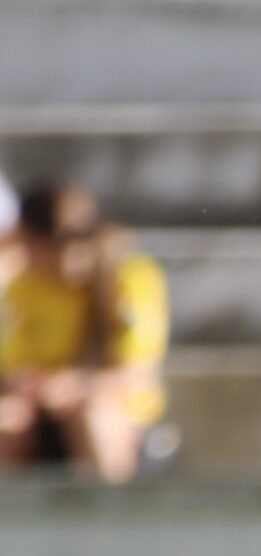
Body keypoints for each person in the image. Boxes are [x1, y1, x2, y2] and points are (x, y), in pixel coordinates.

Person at [0, 183, 169, 486]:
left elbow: (137, 372)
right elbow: (14, 366)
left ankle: (110, 521)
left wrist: (77, 386)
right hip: (42, 419)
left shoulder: (129, 279)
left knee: (93, 416)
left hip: (123, 418)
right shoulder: (25, 287)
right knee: (7, 419)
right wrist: (33, 386)